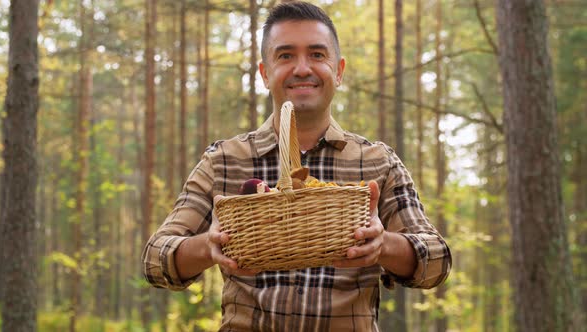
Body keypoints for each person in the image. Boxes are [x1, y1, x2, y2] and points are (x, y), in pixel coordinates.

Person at [142, 1, 451, 330]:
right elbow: (155, 259)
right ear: (264, 73)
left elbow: (437, 262)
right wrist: (208, 246)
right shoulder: (224, 161)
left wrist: (382, 244)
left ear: (339, 70)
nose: (302, 68)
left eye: (317, 55)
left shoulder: (377, 162)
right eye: (285, 55)